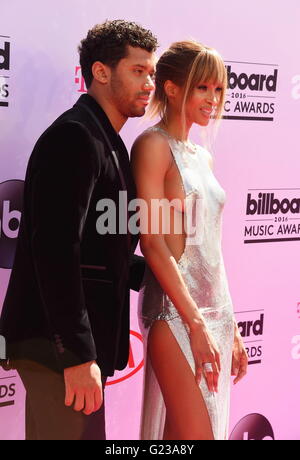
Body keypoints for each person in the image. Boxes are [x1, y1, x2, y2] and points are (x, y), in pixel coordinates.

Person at [0, 20, 157, 440]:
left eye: (152, 73)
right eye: (138, 71)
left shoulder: (106, 139)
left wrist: (153, 274)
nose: (149, 84)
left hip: (71, 345)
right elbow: (56, 252)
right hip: (58, 348)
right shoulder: (74, 137)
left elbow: (97, 247)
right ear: (101, 72)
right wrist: (75, 354)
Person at [131, 40, 248, 440]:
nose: (213, 99)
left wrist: (229, 325)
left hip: (214, 313)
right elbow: (153, 242)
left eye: (218, 89)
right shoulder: (152, 147)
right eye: (203, 87)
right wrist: (195, 323)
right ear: (171, 87)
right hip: (173, 313)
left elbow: (212, 249)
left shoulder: (203, 156)